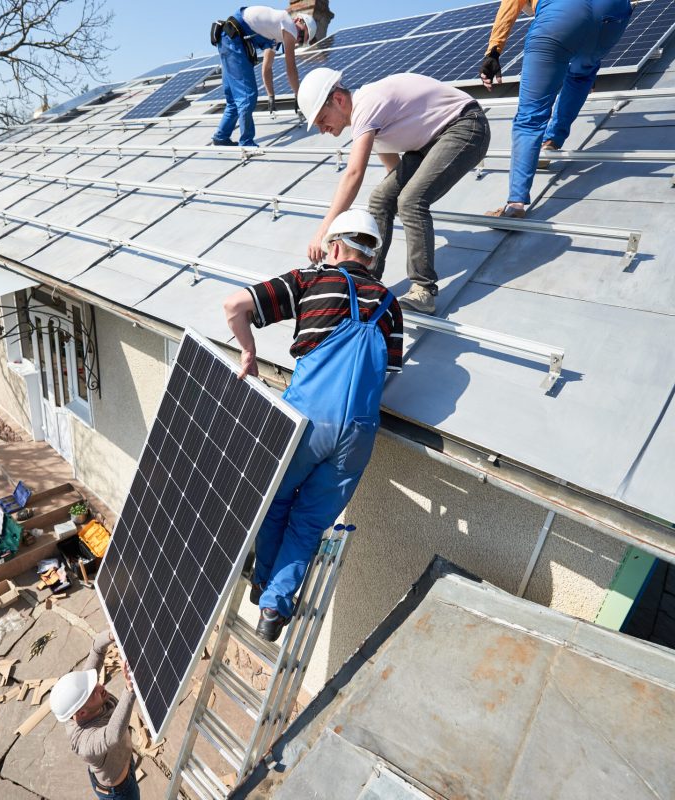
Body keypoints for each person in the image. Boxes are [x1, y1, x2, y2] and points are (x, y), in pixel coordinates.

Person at [223, 209, 403, 641]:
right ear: (371, 255)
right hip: (359, 430)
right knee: (308, 522)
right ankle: (273, 610)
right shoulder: (390, 305)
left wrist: (248, 353)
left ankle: (264, 584)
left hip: (308, 419)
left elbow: (234, 305)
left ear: (335, 247)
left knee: (275, 501)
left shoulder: (311, 281)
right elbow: (388, 371)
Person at [298, 68, 490, 316]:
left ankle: (423, 289)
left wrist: (325, 229)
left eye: (322, 119)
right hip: (429, 143)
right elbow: (395, 173)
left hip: (465, 126)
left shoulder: (367, 105)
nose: (322, 129)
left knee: (411, 201)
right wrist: (394, 200)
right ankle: (366, 278)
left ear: (338, 99)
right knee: (380, 199)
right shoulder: (368, 121)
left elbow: (354, 174)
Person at [480, 0, 632, 218]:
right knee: (581, 74)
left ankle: (516, 204)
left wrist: (494, 51)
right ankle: (552, 142)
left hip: (563, 12)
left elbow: (511, 3)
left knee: (530, 117)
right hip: (613, 14)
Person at [49, 630, 139, 800]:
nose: (101, 686)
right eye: (93, 693)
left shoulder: (83, 696)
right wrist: (129, 690)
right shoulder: (85, 744)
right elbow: (112, 735)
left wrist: (113, 634)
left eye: (95, 683)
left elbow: (97, 649)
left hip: (126, 762)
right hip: (120, 792)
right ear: (81, 713)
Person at [211, 6, 316, 147]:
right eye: (302, 34)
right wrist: (299, 96)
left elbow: (266, 68)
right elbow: (291, 68)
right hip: (233, 40)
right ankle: (246, 143)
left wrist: (271, 95)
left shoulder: (275, 35)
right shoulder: (289, 24)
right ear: (298, 20)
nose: (298, 39)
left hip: (227, 39)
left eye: (302, 40)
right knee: (247, 96)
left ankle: (221, 137)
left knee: (233, 99)